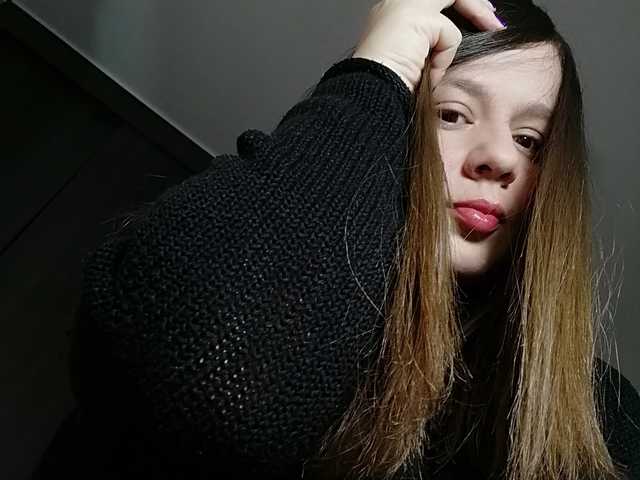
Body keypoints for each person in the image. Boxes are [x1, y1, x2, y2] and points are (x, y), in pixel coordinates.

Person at [33, 0, 640, 479]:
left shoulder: (606, 416)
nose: (500, 159)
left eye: (530, 141)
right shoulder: (262, 282)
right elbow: (192, 391)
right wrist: (377, 70)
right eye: (451, 114)